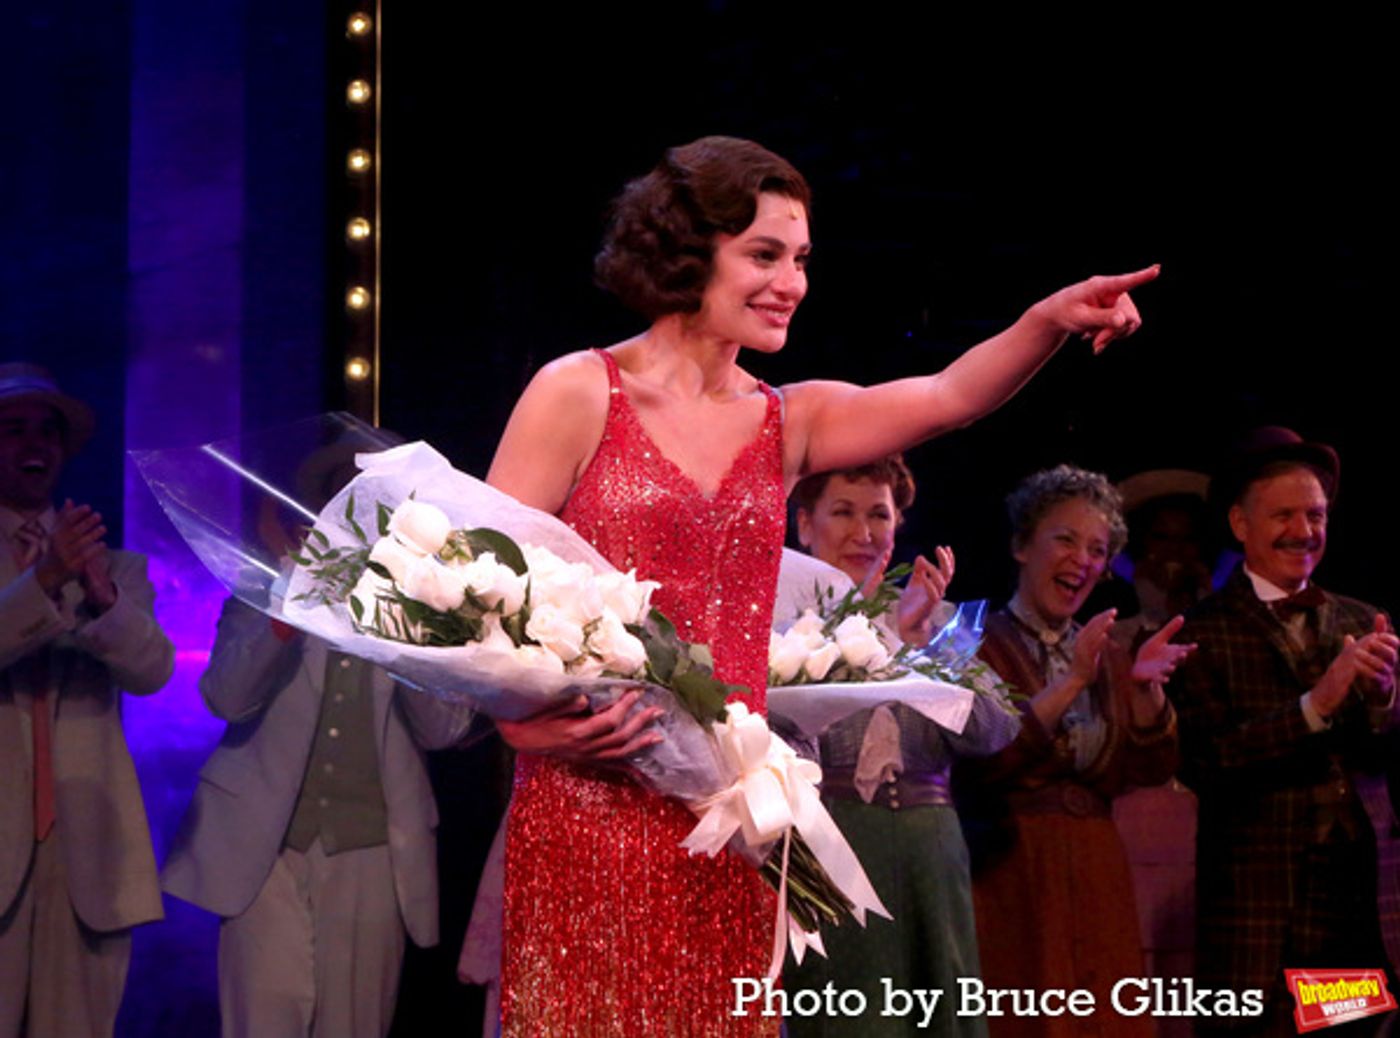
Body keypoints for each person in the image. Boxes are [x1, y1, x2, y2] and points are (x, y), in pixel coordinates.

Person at [485, 135, 1157, 1036]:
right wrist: (515, 722)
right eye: (764, 255)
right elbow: (481, 590)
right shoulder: (578, 391)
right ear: (687, 250)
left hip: (736, 818)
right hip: (588, 803)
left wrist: (1047, 320)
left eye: (800, 260)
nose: (791, 283)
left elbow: (949, 395)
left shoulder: (787, 420)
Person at [1168, 428, 1399, 1034]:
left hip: (1351, 910)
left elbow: (1382, 751)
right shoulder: (1198, 632)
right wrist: (1314, 705)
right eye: (1284, 515)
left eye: (1315, 515)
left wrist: (1384, 698)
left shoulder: (1360, 619)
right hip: (1261, 918)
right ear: (1240, 524)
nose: (1304, 530)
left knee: (1348, 1032)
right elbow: (1208, 761)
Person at [783, 456, 1019, 1038]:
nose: (863, 533)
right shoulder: (781, 622)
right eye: (843, 513)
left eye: (879, 516)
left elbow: (996, 729)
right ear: (805, 524)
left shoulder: (936, 618)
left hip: (927, 844)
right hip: (832, 838)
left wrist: (919, 647)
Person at [958, 465, 1188, 1037]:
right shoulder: (976, 643)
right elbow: (989, 756)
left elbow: (1151, 768)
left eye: (1097, 550)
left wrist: (1145, 693)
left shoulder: (1107, 655)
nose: (1082, 560)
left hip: (1095, 866)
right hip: (1014, 868)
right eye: (1065, 539)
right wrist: (1072, 682)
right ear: (1022, 545)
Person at [0, 363, 174, 1038]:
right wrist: (44, 578)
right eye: (14, 429)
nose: (33, 444)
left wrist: (103, 597)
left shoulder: (117, 569)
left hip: (86, 854)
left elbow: (153, 671)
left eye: (47, 431)